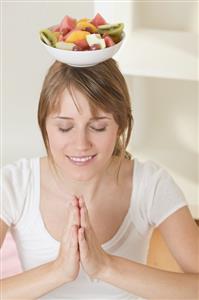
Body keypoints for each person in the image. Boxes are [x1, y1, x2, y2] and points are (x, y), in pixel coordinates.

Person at [1, 59, 198, 300]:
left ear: (120, 125)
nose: (81, 144)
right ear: (44, 125)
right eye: (65, 127)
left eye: (98, 127)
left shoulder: (151, 183)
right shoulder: (15, 184)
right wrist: (58, 271)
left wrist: (106, 266)